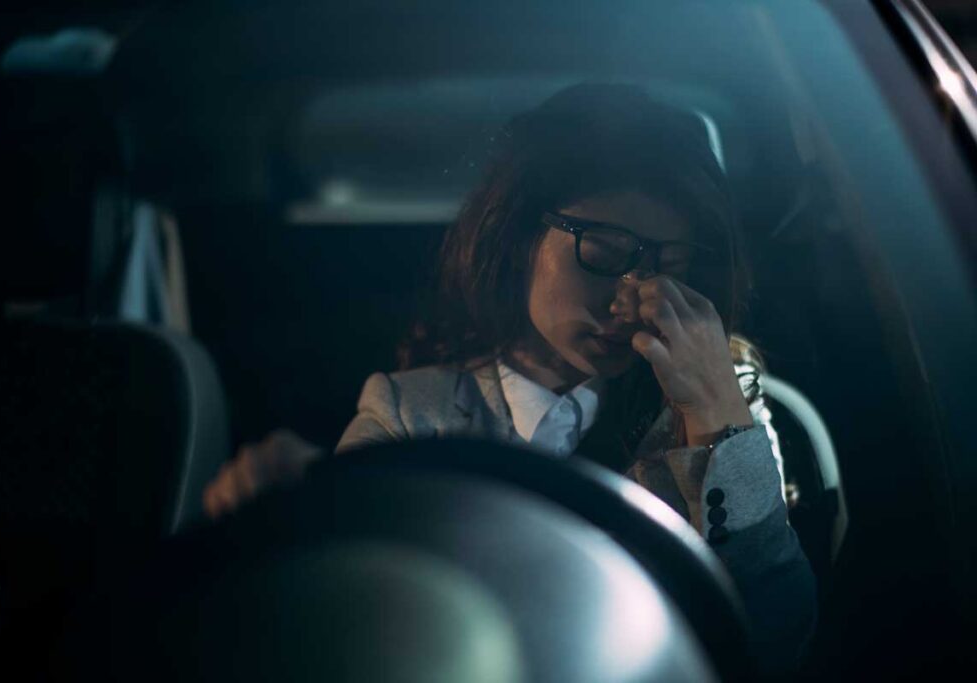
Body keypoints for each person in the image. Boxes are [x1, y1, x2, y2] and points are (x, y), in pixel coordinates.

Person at [203, 83, 816, 674]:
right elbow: (338, 617)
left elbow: (775, 640)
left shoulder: (719, 404)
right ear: (520, 238)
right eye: (601, 254)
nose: (631, 301)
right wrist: (289, 503)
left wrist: (715, 407)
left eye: (669, 266)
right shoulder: (415, 410)